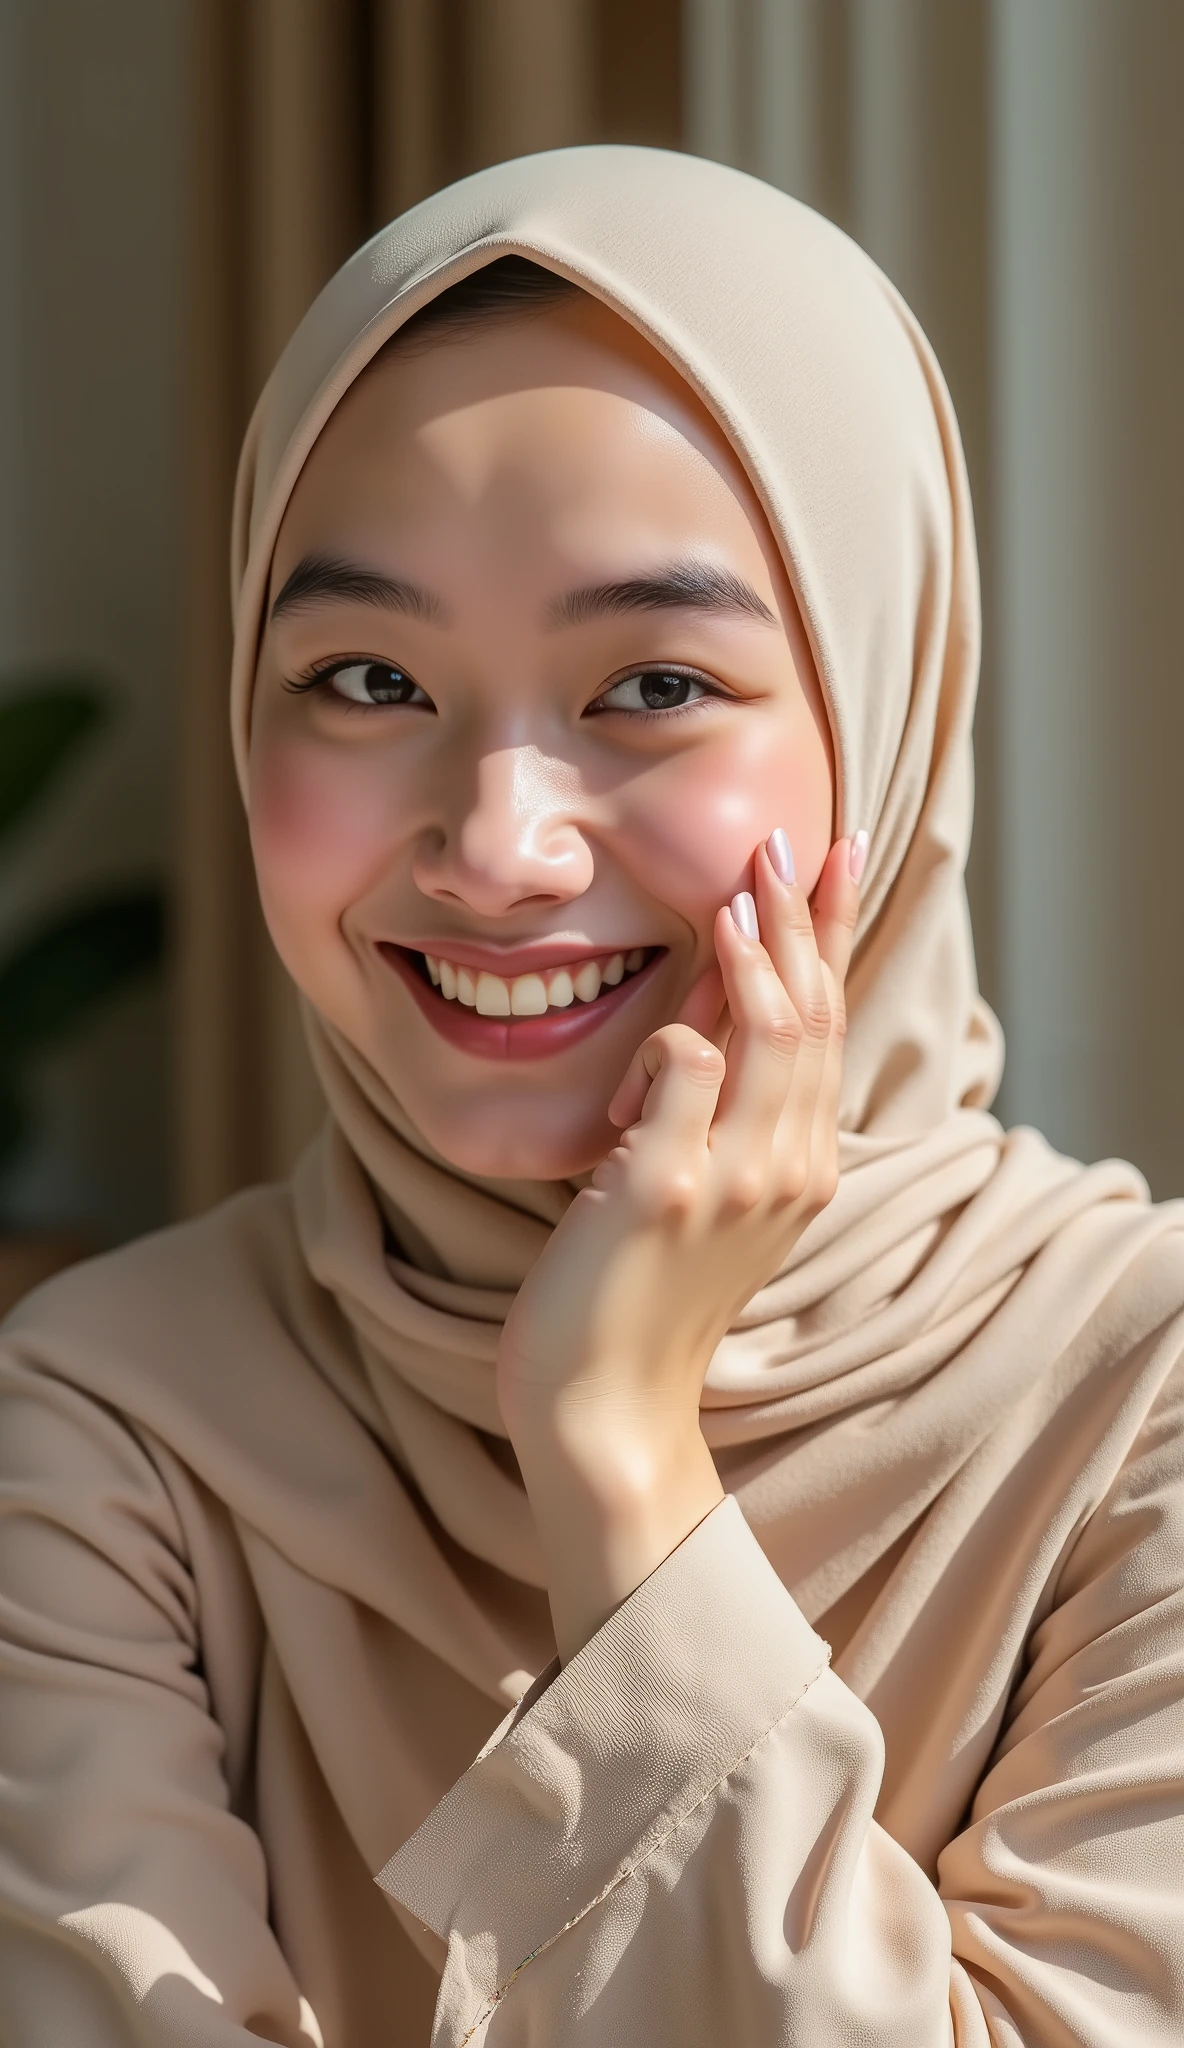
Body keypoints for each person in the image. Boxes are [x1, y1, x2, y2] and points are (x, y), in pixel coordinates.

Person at [1, 145, 1182, 2048]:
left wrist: (622, 1466)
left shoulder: (1139, 1403)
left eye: (650, 686)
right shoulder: (112, 1431)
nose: (498, 847)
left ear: (883, 708)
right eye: (367, 677)